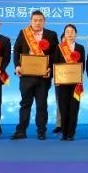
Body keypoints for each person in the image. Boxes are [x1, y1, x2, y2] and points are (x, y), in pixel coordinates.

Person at [11, 10, 58, 140]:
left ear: (44, 22)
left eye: (40, 20)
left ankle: (41, 131)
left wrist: (50, 68)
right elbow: (16, 51)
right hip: (26, 76)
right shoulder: (23, 33)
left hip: (43, 77)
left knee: (41, 105)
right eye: (35, 20)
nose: (38, 23)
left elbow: (55, 54)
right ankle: (21, 131)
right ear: (30, 21)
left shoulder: (51, 35)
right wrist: (17, 66)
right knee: (25, 104)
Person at [52, 24, 85, 141]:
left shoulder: (80, 48)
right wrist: (56, 78)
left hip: (76, 84)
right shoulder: (59, 48)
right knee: (63, 108)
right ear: (64, 34)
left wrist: (78, 76)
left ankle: (71, 133)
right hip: (62, 83)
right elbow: (55, 63)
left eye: (72, 31)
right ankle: (64, 133)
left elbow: (82, 65)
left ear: (76, 34)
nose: (70, 33)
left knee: (74, 108)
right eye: (67, 31)